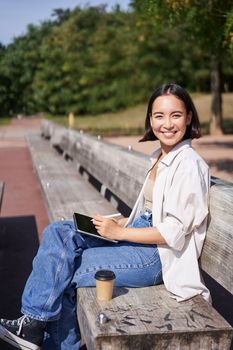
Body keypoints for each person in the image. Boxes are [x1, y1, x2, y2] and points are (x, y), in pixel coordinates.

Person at [0, 83, 210, 350]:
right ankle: (33, 320)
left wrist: (119, 233)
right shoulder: (160, 155)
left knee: (64, 269)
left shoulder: (189, 165)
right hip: (139, 233)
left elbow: (174, 232)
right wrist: (118, 222)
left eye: (176, 115)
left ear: (189, 117)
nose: (167, 124)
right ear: (150, 119)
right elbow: (151, 210)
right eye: (159, 116)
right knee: (58, 231)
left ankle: (40, 332)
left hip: (158, 256)